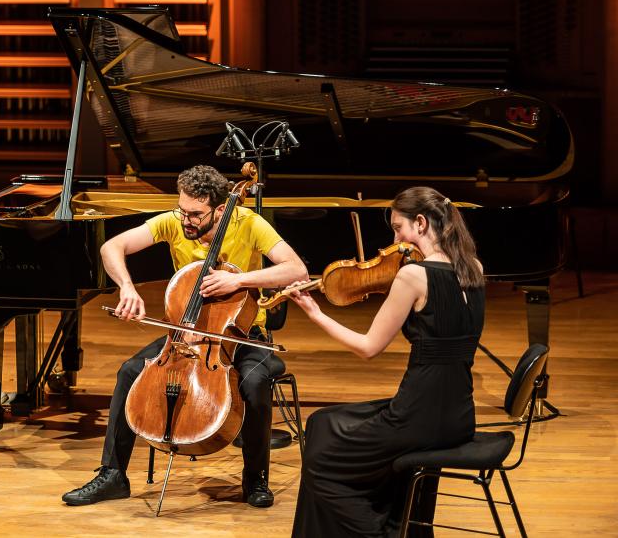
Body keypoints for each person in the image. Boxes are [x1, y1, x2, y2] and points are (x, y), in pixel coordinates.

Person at [61, 165, 308, 508]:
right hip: (186, 333)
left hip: (244, 333)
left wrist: (240, 280)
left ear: (221, 210)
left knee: (254, 382)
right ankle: (112, 474)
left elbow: (296, 269)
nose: (186, 220)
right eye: (182, 210)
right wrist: (127, 288)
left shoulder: (249, 224)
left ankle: (255, 479)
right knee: (130, 371)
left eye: (195, 214)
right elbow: (111, 247)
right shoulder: (173, 222)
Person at [289, 186, 486, 537]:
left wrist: (315, 314)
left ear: (421, 223)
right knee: (322, 421)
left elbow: (368, 347)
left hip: (418, 417)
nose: (394, 238)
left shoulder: (413, 276)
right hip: (459, 416)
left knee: (319, 462)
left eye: (398, 228)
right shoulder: (474, 268)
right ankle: (405, 525)